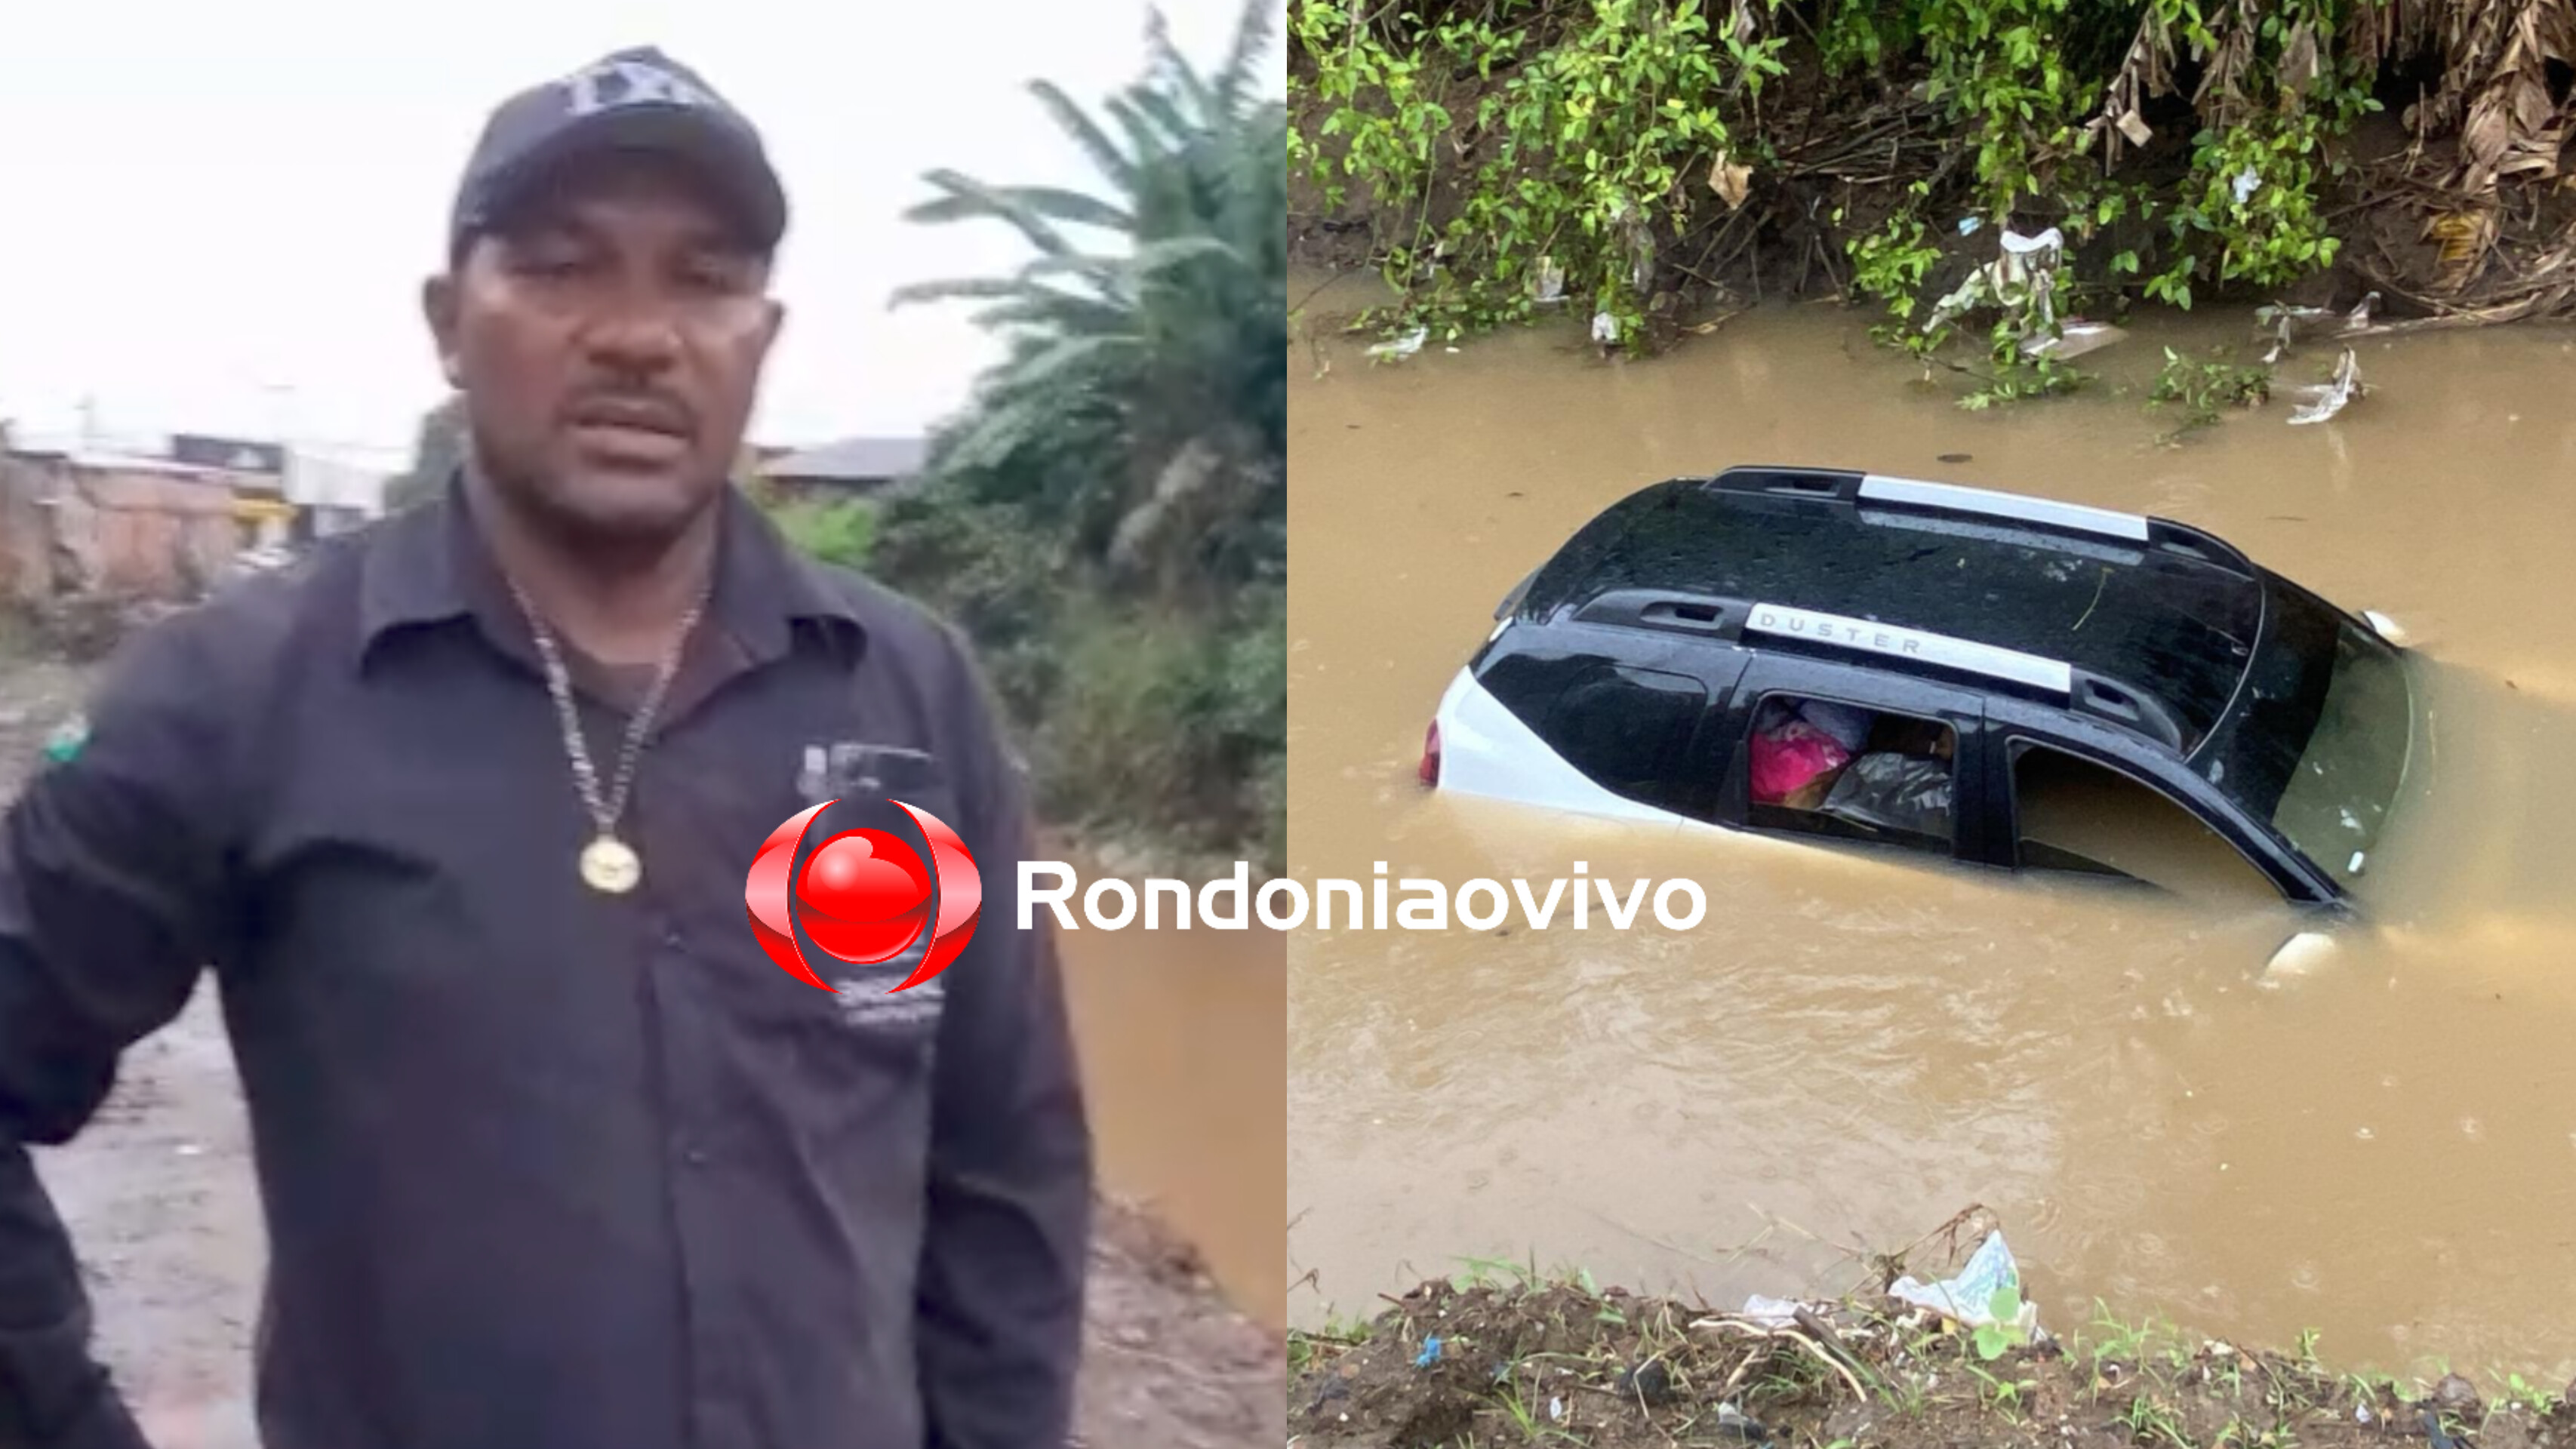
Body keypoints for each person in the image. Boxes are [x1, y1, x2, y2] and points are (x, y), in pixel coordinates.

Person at [0, 46, 1094, 1449]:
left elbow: (1005, 1166)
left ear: (761, 334)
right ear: (450, 323)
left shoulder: (904, 691)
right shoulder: (239, 691)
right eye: (564, 268)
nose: (639, 335)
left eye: (702, 279)